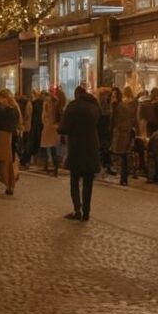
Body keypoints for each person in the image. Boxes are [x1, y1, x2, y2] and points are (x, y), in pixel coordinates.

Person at [59, 85, 101, 221]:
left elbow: (63, 128)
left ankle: (77, 210)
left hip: (76, 147)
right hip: (91, 147)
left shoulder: (72, 106)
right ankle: (86, 213)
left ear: (76, 94)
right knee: (88, 183)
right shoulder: (95, 107)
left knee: (74, 181)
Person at [0, 89, 21, 196]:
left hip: (2, 139)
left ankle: (8, 185)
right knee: (8, 163)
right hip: (11, 138)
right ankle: (10, 185)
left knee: (4, 164)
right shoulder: (14, 108)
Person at [110, 86, 135, 186]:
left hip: (121, 132)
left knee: (121, 154)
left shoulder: (118, 106)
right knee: (123, 154)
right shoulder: (123, 105)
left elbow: (115, 120)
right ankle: (123, 177)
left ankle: (122, 176)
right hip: (123, 131)